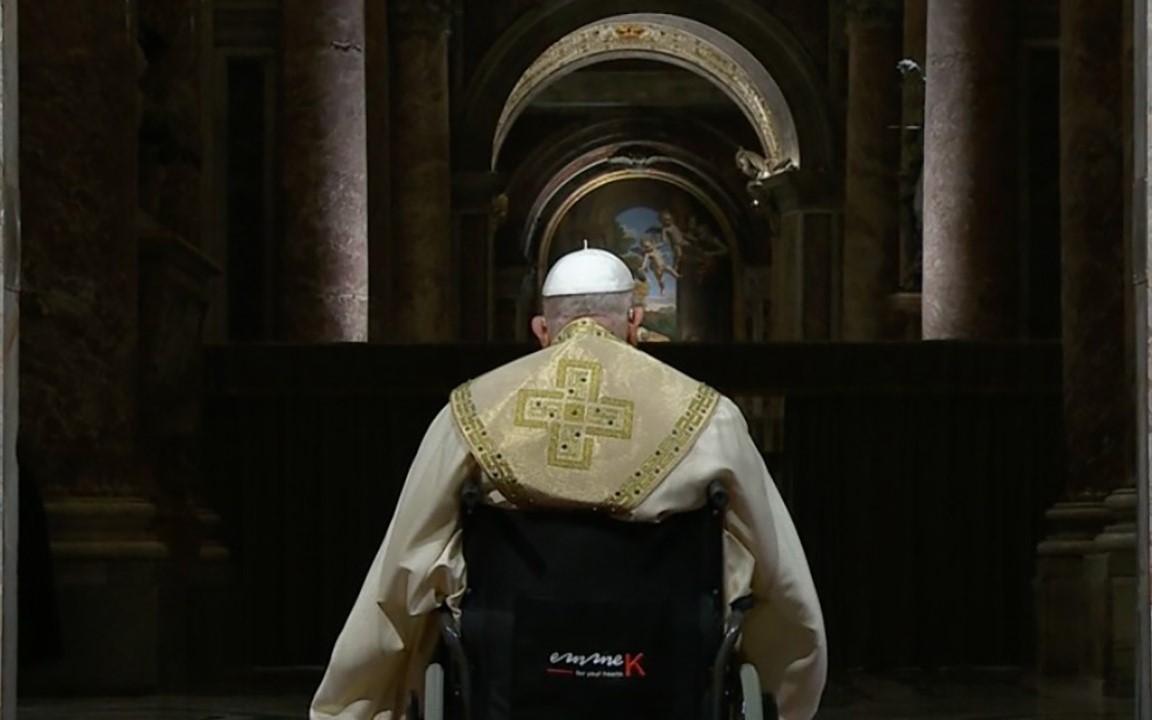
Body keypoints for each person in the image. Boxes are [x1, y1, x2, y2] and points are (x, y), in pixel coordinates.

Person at [309, 245, 827, 720]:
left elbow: (403, 570)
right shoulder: (710, 418)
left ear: (540, 329)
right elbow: (780, 584)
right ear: (635, 323)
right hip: (664, 676)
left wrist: (358, 703)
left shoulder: (469, 414)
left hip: (510, 681)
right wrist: (785, 685)